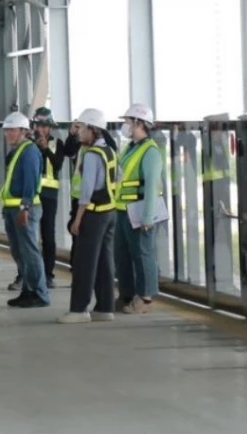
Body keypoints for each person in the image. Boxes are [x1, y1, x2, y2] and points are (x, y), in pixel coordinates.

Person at [58, 109, 118, 324]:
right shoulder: (109, 151)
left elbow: (86, 191)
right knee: (104, 261)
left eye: (82, 128)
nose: (79, 132)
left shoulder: (92, 155)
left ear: (93, 130)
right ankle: (105, 308)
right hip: (109, 211)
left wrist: (78, 218)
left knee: (84, 262)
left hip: (93, 213)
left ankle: (79, 309)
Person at [114, 104, 166, 313]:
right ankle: (126, 295)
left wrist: (148, 217)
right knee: (122, 255)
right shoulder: (130, 148)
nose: (125, 125)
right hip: (122, 209)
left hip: (139, 210)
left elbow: (152, 185)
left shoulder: (150, 151)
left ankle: (145, 298)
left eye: (128, 121)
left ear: (139, 123)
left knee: (143, 254)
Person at [1, 112, 50, 308]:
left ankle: (40, 293)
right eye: (6, 131)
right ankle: (28, 291)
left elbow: (30, 182)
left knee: (29, 252)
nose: (8, 134)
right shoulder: (17, 151)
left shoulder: (29, 152)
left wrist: (25, 207)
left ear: (23, 131)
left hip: (23, 210)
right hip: (12, 208)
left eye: (12, 130)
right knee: (20, 252)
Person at [29, 108, 62, 291]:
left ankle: (48, 275)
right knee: (28, 236)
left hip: (49, 195)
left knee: (48, 235)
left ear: (50, 128)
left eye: (44, 126)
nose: (40, 129)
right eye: (38, 125)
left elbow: (58, 164)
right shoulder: (28, 143)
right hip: (32, 194)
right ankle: (26, 275)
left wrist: (46, 149)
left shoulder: (57, 143)